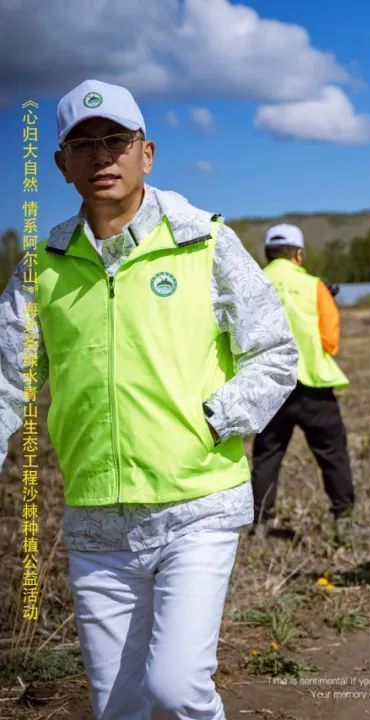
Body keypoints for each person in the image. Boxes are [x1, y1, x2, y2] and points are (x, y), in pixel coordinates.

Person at [0, 79, 298, 719]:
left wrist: (216, 418)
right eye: (83, 145)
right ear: (62, 165)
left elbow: (274, 351)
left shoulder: (205, 241)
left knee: (177, 688)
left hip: (196, 504)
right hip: (96, 524)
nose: (101, 157)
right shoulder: (40, 268)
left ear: (147, 153)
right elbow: (7, 381)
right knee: (119, 706)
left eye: (116, 140)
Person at [250, 224, 357, 545]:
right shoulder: (315, 287)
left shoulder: (252, 286)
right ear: (299, 254)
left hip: (268, 387)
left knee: (266, 457)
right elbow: (331, 341)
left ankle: (259, 525)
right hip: (311, 386)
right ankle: (345, 524)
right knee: (333, 455)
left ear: (267, 254)